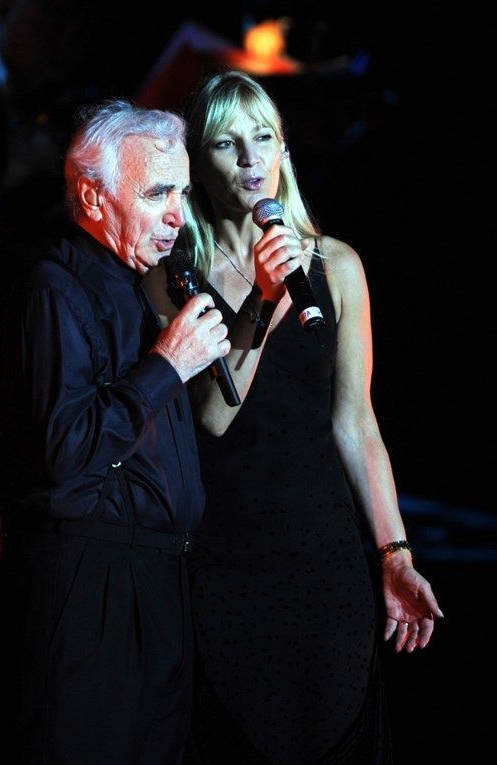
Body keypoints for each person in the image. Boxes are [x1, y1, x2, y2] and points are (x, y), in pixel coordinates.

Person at [177, 70, 444, 764]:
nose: (248, 159)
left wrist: (394, 553)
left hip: (321, 558)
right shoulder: (176, 269)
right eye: (225, 143)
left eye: (262, 138)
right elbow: (211, 415)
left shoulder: (336, 265)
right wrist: (261, 304)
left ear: (282, 149)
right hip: (224, 557)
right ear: (195, 162)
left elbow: (356, 424)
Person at [0, 98, 229, 765]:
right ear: (95, 199)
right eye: (157, 193)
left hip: (158, 579)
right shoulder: (55, 288)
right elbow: (66, 453)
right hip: (91, 588)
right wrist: (167, 366)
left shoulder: (144, 291)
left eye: (182, 192)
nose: (177, 215)